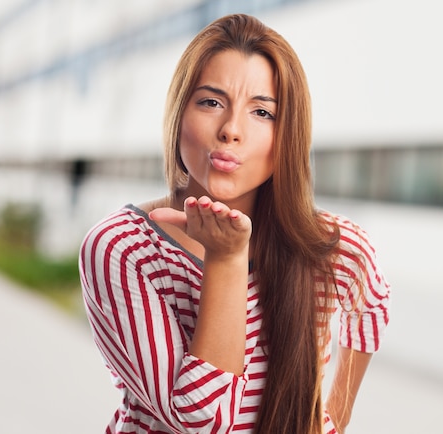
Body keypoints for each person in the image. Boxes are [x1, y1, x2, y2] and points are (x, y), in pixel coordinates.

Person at [79, 13, 390, 434]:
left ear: (288, 135)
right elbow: (203, 421)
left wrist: (334, 415)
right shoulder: (123, 247)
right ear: (178, 114)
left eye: (262, 112)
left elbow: (372, 306)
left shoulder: (326, 244)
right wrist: (226, 259)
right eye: (210, 102)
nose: (231, 130)